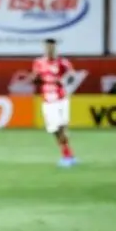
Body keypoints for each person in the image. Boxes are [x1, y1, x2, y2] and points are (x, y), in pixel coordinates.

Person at [32, 39, 77, 167]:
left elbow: (72, 76)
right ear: (44, 49)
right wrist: (36, 79)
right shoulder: (38, 63)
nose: (49, 49)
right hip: (48, 100)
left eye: (52, 47)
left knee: (61, 127)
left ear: (55, 48)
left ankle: (67, 156)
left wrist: (64, 82)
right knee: (54, 130)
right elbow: (35, 79)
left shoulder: (63, 63)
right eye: (47, 47)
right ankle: (68, 154)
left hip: (61, 98)